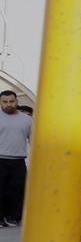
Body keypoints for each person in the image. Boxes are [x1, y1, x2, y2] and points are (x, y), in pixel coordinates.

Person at [0, 90, 33, 227]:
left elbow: (33, 141)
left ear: (17, 101)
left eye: (11, 101)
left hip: (18, 160)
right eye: (5, 102)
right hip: (0, 159)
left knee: (17, 190)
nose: (9, 104)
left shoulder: (26, 120)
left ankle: (13, 217)